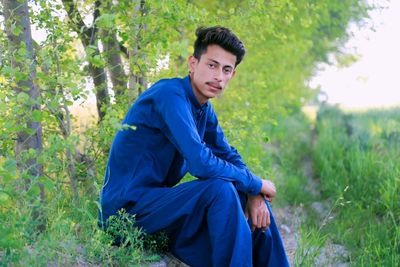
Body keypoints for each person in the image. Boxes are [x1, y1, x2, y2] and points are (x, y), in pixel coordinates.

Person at [99, 26, 289, 267]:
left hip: (160, 208)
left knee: (246, 192)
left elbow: (226, 154)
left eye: (226, 69)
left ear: (232, 75)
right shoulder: (170, 96)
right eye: (212, 65)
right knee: (220, 189)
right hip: (125, 213)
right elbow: (200, 163)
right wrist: (256, 183)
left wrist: (254, 191)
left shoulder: (203, 108)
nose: (219, 76)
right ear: (192, 63)